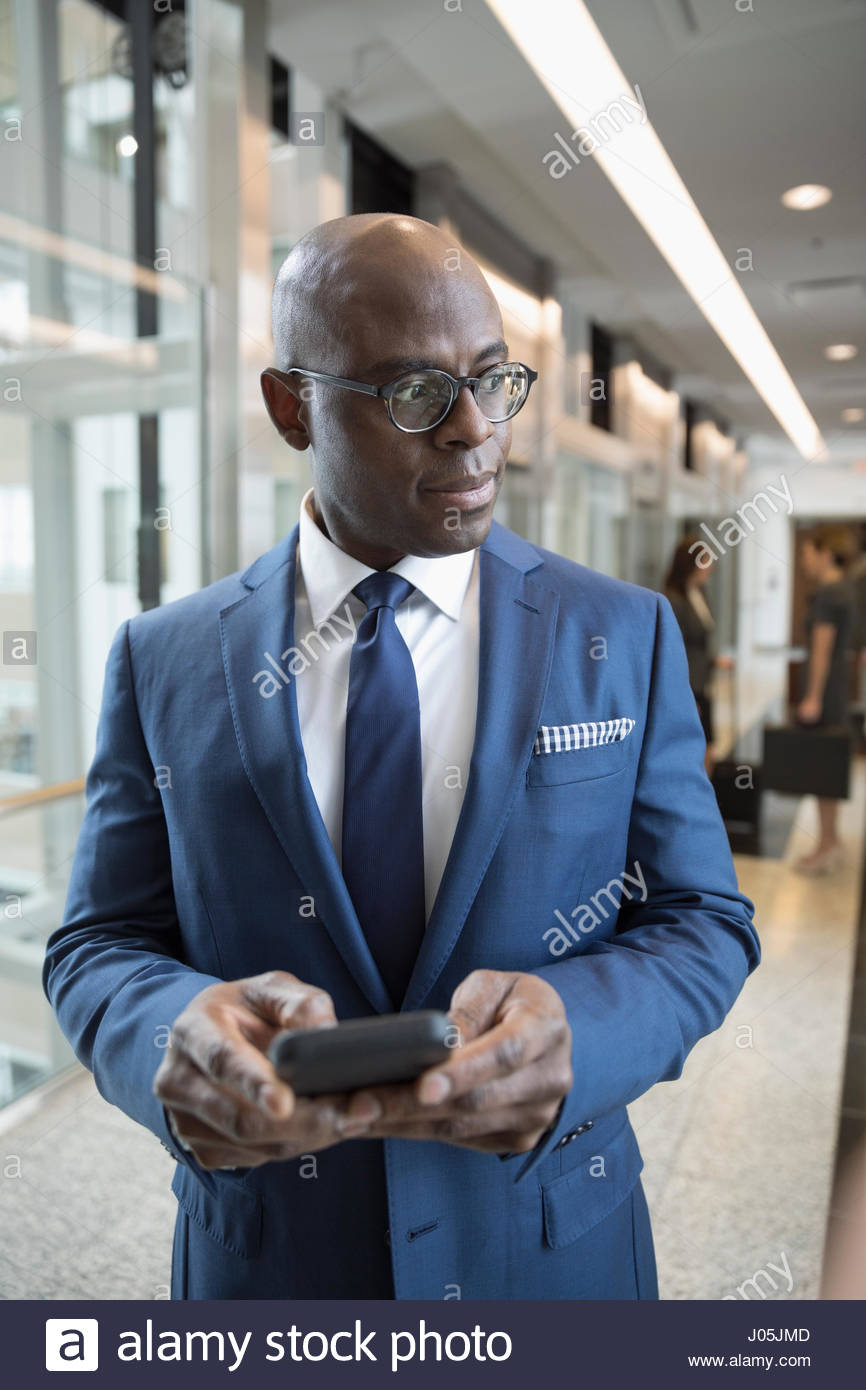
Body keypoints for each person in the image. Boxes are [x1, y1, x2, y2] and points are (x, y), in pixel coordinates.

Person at [42, 214, 760, 1301]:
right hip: (274, 1266)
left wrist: (585, 1030)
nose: (472, 431)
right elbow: (99, 941)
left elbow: (703, 918)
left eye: (492, 380)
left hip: (549, 1257)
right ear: (293, 408)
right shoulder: (165, 660)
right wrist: (162, 1036)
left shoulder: (620, 634)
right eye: (414, 392)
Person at [793, 522, 857, 875]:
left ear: (825, 554)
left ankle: (825, 845)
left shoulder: (828, 594)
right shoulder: (844, 590)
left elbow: (821, 649)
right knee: (829, 767)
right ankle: (830, 840)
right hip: (838, 691)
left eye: (808, 554)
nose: (804, 562)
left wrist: (812, 697)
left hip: (826, 693)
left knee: (821, 769)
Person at [663, 536, 730, 776]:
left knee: (708, 744)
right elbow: (674, 650)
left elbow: (698, 642)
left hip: (703, 682)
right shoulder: (674, 600)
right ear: (689, 563)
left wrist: (713, 660)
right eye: (705, 560)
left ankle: (704, 800)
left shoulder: (699, 594)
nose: (710, 566)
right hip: (690, 686)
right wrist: (685, 693)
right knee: (694, 745)